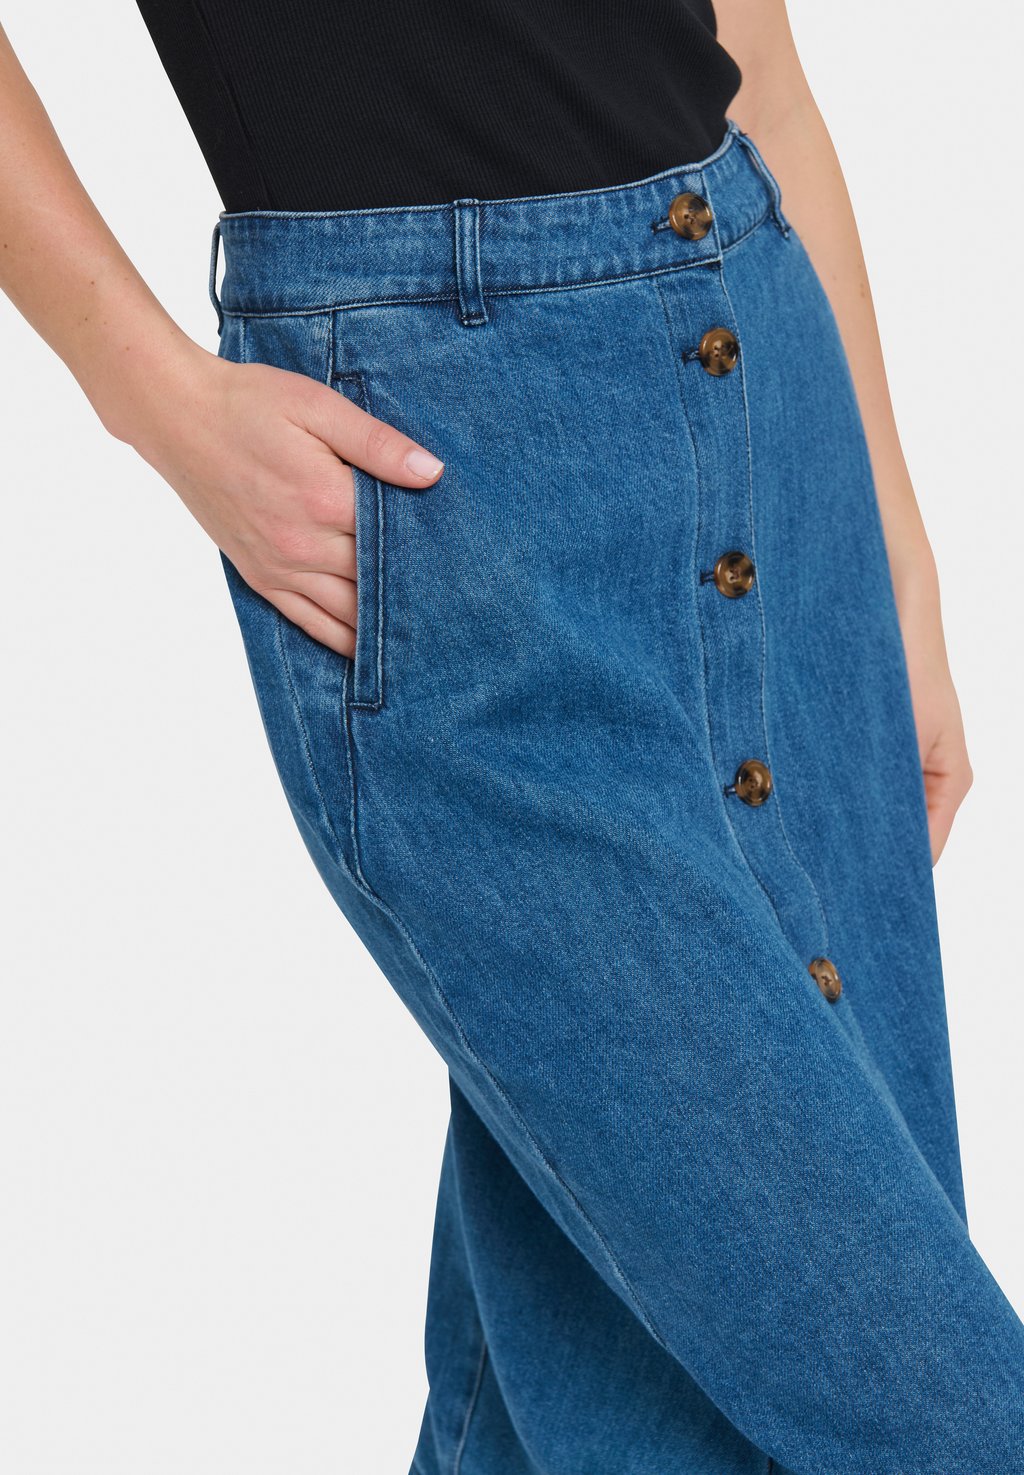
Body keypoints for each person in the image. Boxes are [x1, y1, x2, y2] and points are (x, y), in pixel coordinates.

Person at [2, 3, 1022, 1471]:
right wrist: (152, 396)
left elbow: (763, 73)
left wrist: (894, 554)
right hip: (443, 456)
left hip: (763, 362)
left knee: (637, 1372)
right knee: (911, 1393)